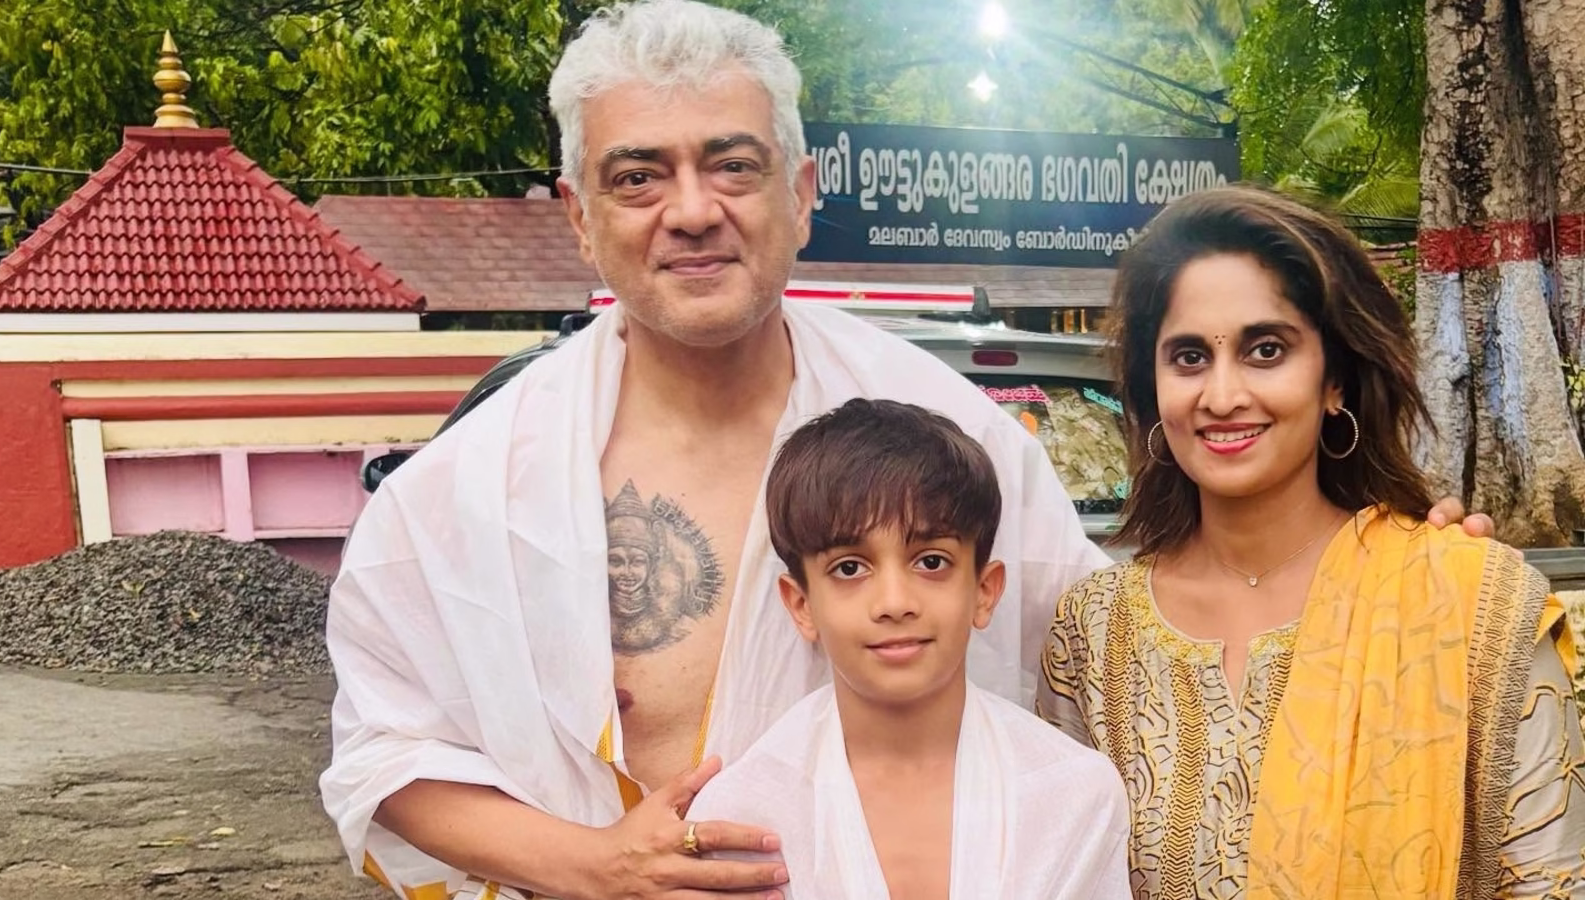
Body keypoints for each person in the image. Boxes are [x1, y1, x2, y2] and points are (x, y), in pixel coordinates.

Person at [319, 2, 1490, 898]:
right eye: (639, 176)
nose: (692, 208)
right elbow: (383, 747)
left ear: (801, 192)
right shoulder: (472, 488)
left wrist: (1382, 580)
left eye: (732, 163)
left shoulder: (948, 432)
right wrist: (586, 864)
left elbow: (1127, 647)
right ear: (579, 213)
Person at [1037, 185, 1585, 899]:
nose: (1222, 395)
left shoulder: (1469, 606)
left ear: (1335, 382)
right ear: (1152, 387)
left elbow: (1551, 885)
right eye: (1189, 357)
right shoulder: (1093, 634)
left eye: (1266, 350)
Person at [686, 398, 1133, 899]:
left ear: (984, 591)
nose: (895, 603)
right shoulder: (744, 816)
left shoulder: (1072, 793)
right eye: (850, 568)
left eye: (931, 562)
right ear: (801, 604)